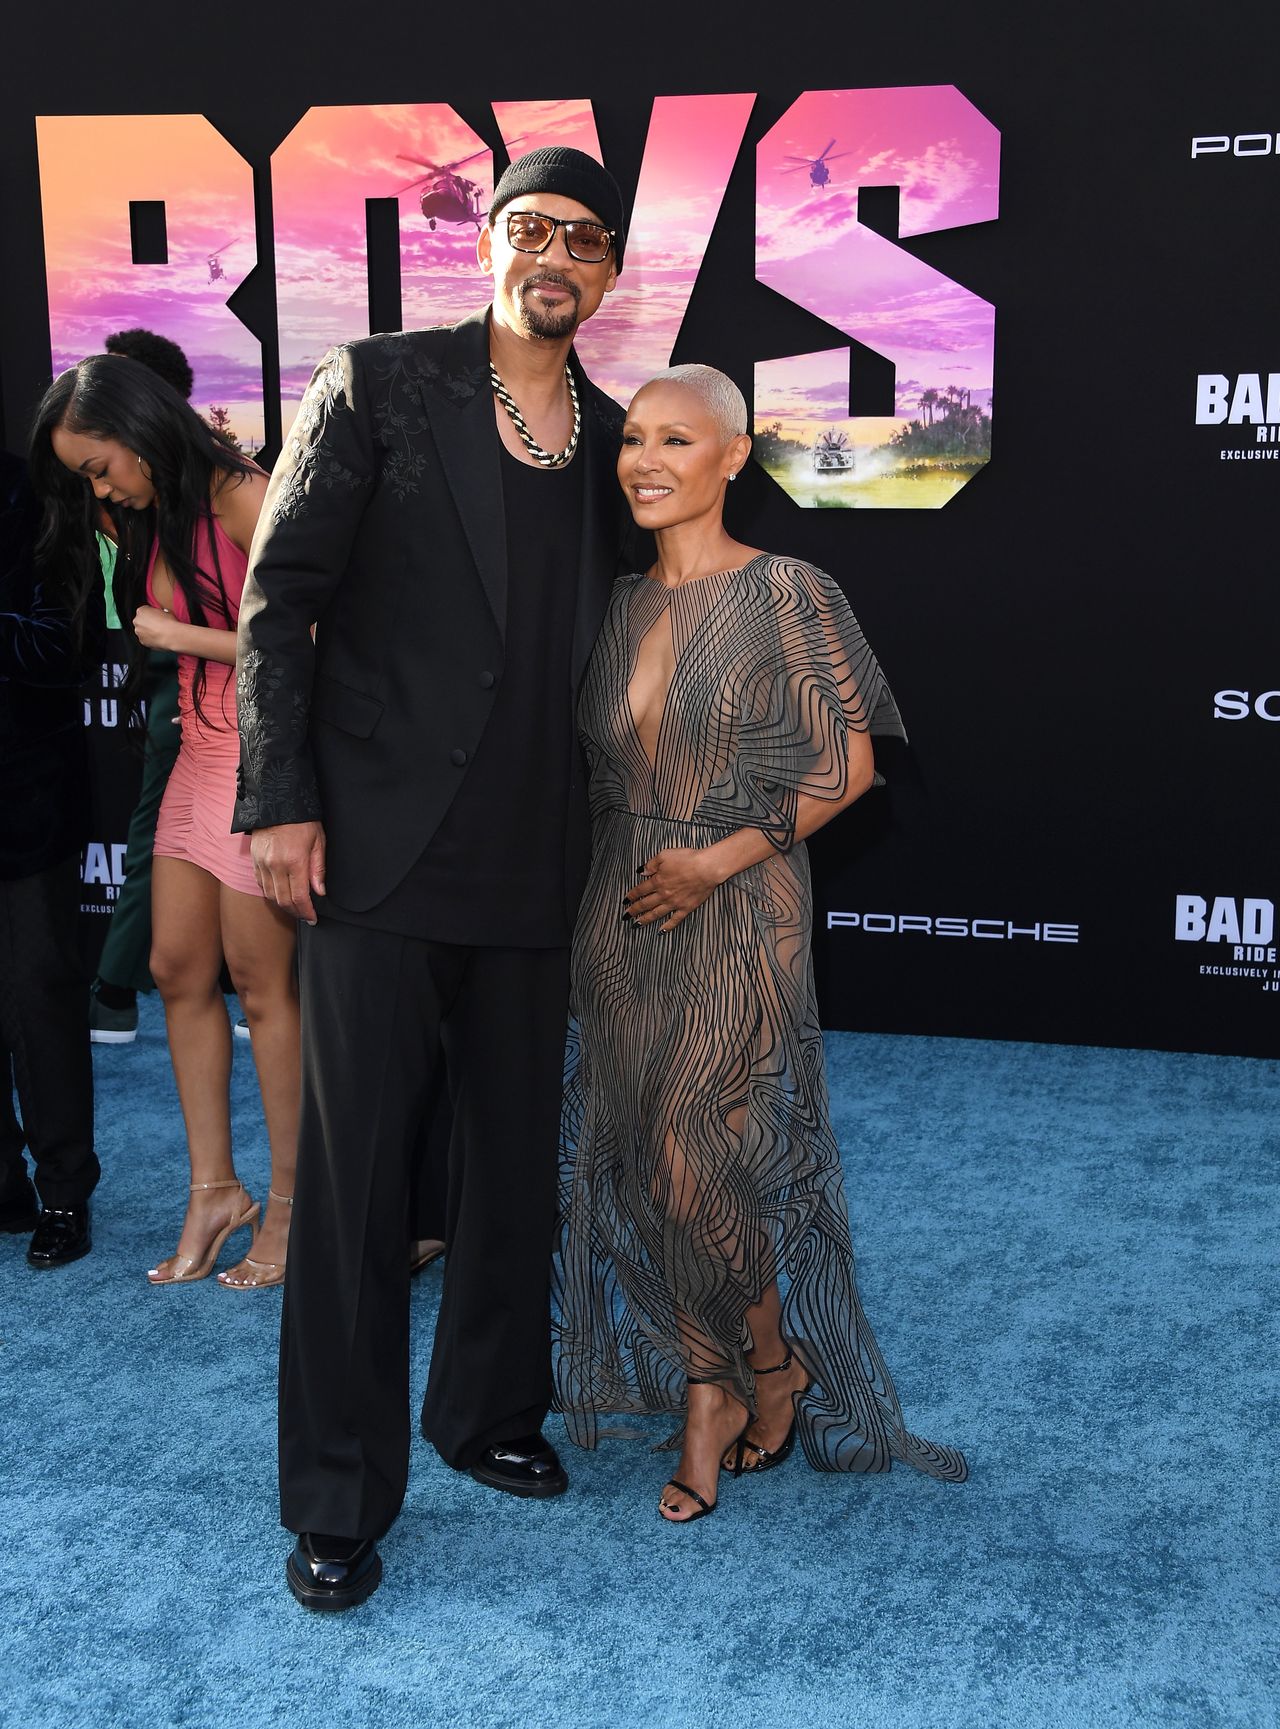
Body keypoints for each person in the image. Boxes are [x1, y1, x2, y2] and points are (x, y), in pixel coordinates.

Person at [234, 145, 640, 1611]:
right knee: (354, 1192)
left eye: (587, 241)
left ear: (610, 270)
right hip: (380, 851)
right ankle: (338, 1494)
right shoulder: (381, 381)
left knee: (511, 1163)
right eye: (536, 229)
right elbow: (281, 603)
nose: (560, 259)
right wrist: (276, 802)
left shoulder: (614, 439)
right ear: (491, 244)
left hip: (544, 856)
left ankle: (487, 1412)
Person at [554, 365, 969, 1522]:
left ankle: (710, 1394)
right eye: (630, 439)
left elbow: (849, 767)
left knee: (696, 1159)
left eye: (673, 440)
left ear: (731, 457)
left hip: (735, 899)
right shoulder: (619, 603)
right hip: (622, 907)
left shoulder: (788, 588)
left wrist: (712, 861)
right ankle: (762, 1362)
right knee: (650, 1168)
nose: (642, 460)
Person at [29, 355, 300, 1290]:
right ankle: (214, 1189)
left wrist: (179, 636)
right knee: (175, 967)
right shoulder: (157, 516)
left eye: (101, 464)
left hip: (257, 753)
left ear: (141, 430)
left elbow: (307, 646)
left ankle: (298, 1207)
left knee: (264, 986)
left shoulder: (243, 496)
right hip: (194, 745)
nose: (100, 487)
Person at [0, 448, 101, 1267]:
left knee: (39, 997)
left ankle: (64, 1190)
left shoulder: (33, 496)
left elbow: (58, 645)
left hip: (22, 798)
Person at [87, 328, 191, 1046]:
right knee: (161, 829)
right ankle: (118, 988)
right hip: (164, 674)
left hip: (206, 674)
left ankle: (117, 987)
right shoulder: (118, 491)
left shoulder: (202, 484)